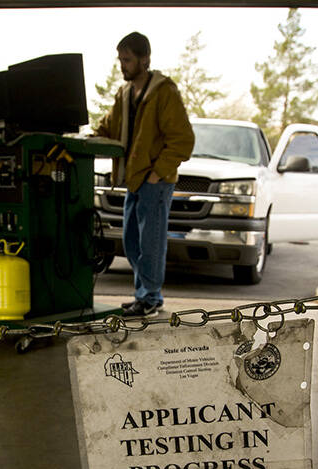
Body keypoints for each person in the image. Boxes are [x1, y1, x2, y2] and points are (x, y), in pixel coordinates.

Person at [95, 32, 195, 318]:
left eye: (127, 60)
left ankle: (149, 298)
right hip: (134, 180)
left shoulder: (164, 92)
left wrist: (157, 173)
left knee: (150, 243)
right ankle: (146, 294)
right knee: (132, 241)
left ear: (145, 59)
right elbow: (109, 127)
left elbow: (183, 140)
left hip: (155, 181)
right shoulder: (124, 94)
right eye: (120, 60)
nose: (122, 66)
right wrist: (89, 139)